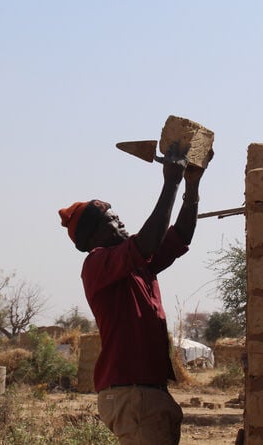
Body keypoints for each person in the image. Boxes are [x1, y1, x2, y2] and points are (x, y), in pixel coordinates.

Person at [58, 142, 211, 445]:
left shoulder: (138, 266)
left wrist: (191, 186)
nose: (121, 222)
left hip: (148, 393)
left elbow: (179, 235)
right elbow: (151, 239)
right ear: (93, 237)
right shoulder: (98, 263)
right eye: (111, 221)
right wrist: (171, 181)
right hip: (132, 394)